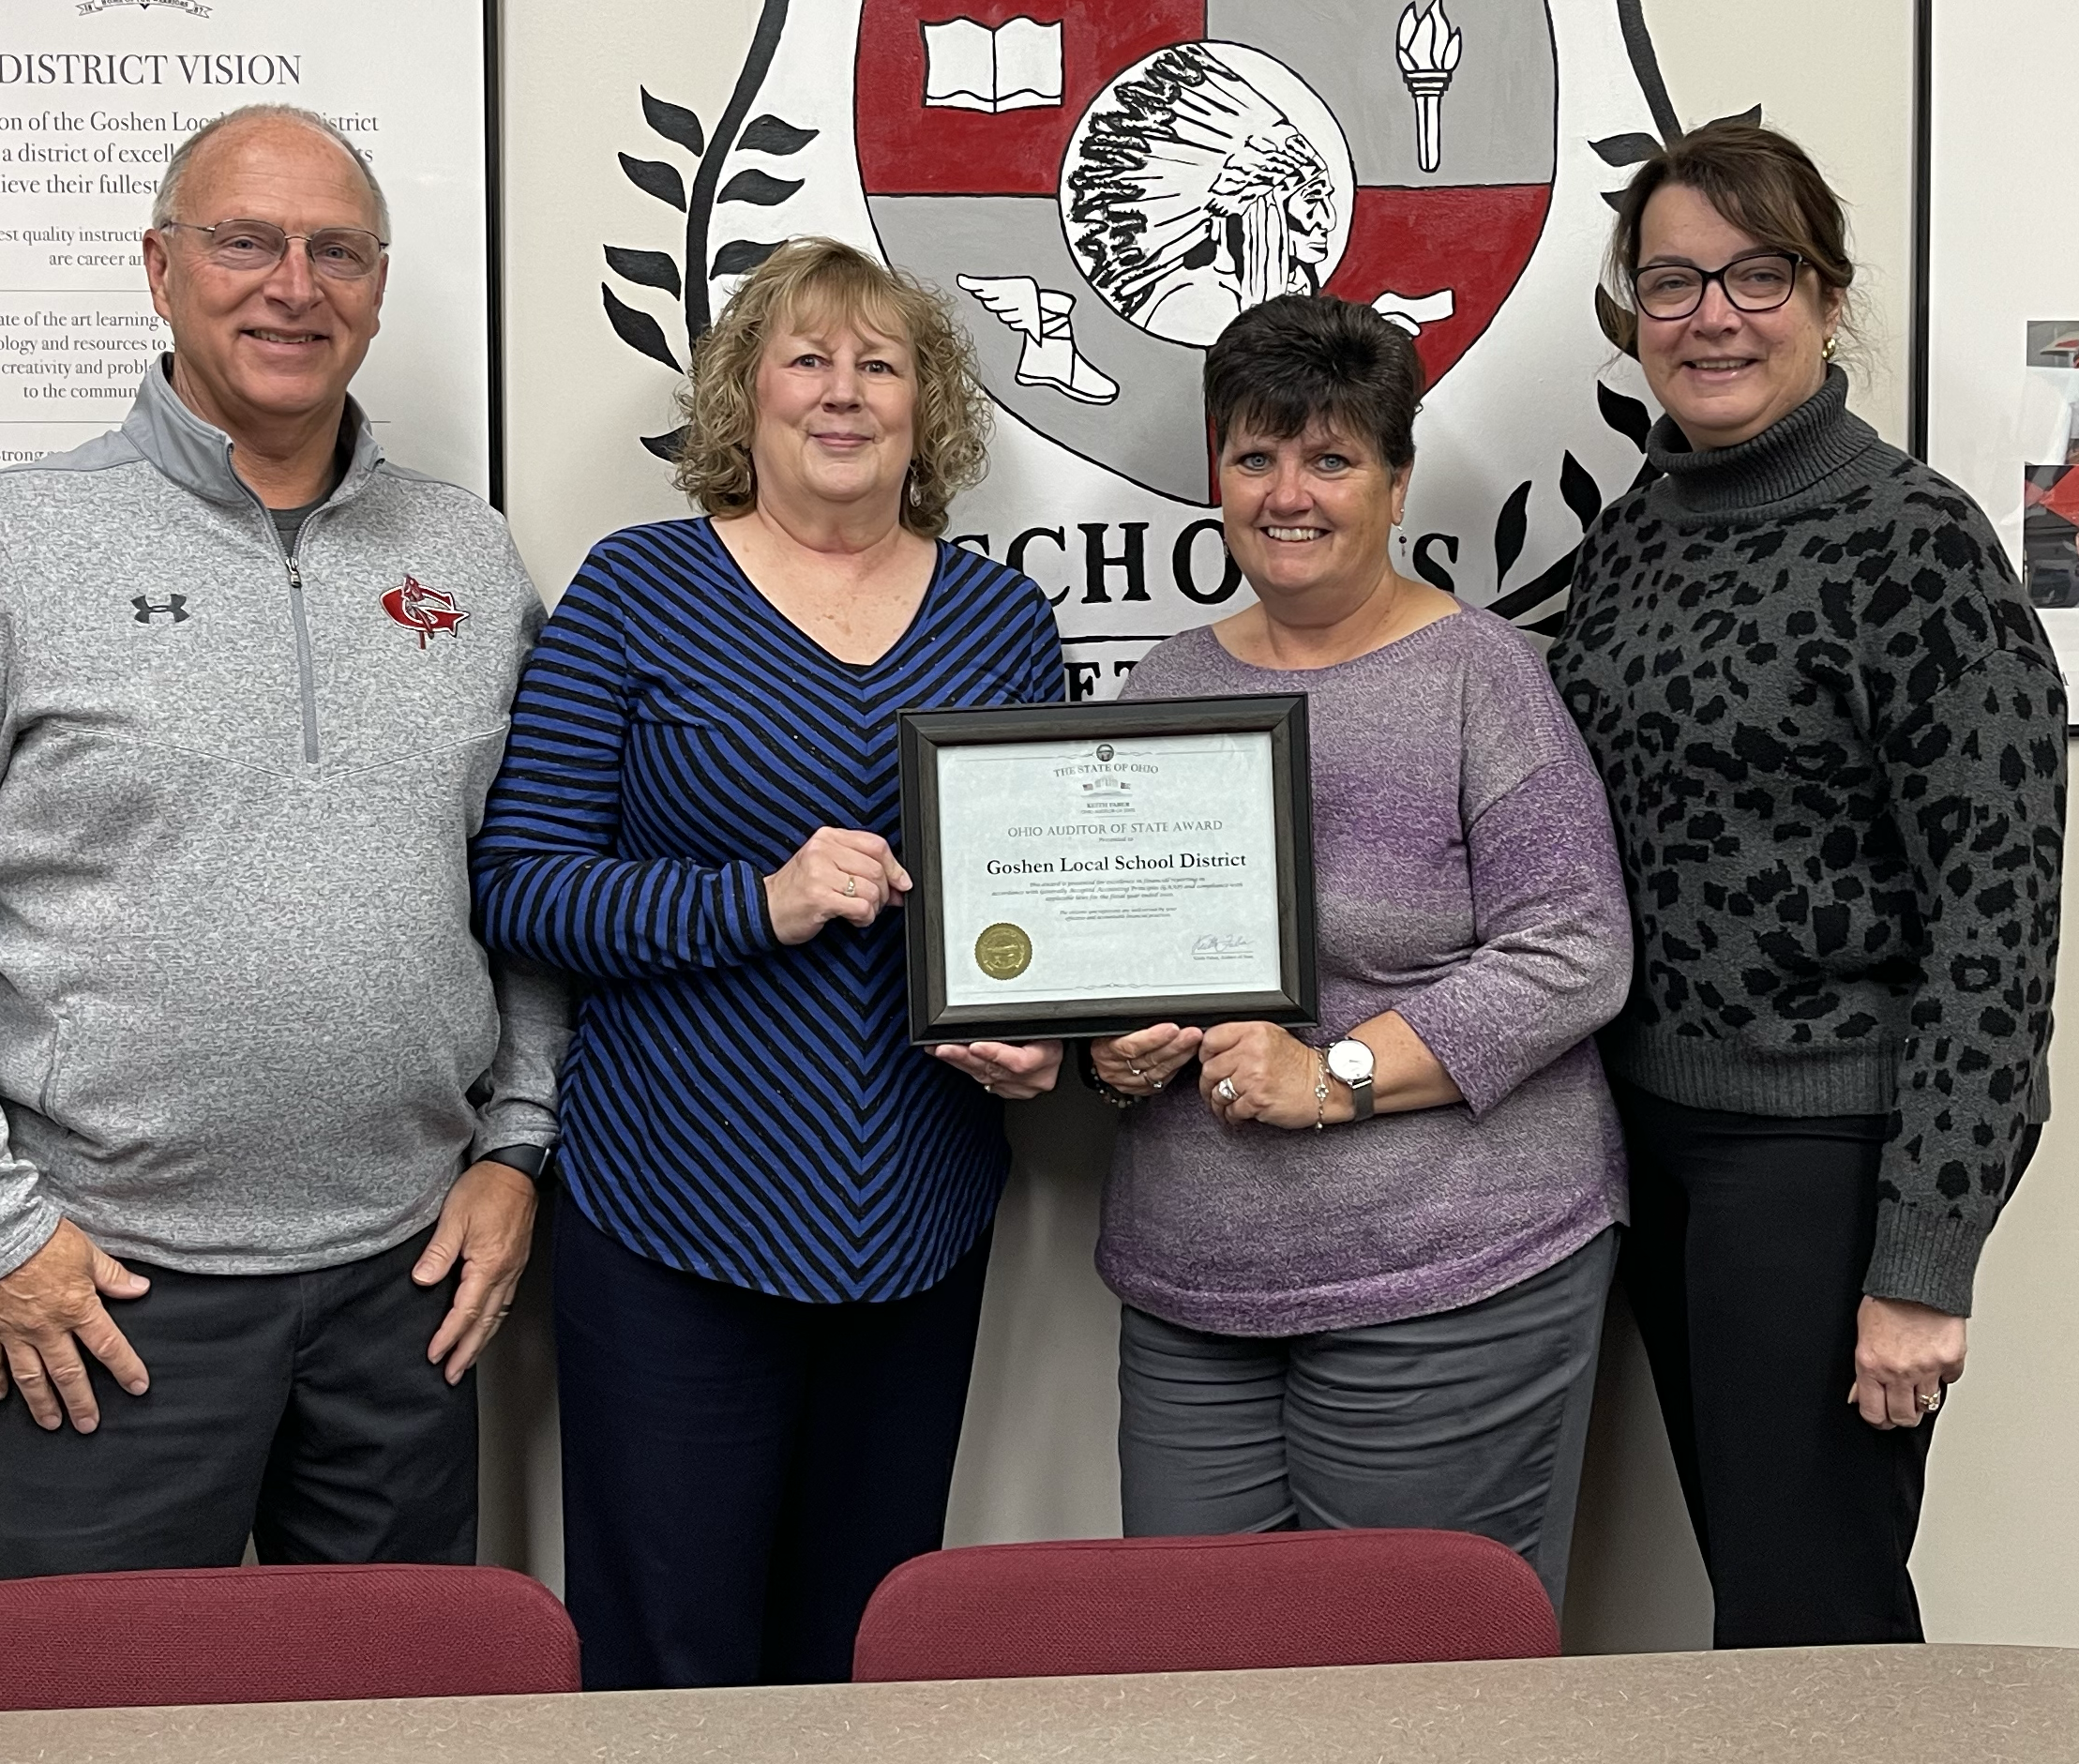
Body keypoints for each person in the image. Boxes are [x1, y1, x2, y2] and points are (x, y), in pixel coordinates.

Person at [0, 103, 569, 1582]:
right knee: (73, 1729)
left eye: (337, 250)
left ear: (376, 288)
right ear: (160, 270)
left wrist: (518, 1147)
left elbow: (527, 877)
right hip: (101, 1293)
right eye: (246, 242)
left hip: (402, 1282)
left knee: (393, 1723)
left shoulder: (466, 557)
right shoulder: (6, 543)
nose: (294, 284)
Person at [470, 238, 1065, 1689]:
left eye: (883, 364)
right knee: (673, 1648)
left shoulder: (1002, 621)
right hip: (675, 1209)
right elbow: (520, 889)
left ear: (931, 408)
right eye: (809, 359)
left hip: (916, 1220)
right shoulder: (636, 594)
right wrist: (760, 901)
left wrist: (1043, 1036)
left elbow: (1043, 903)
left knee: (863, 1651)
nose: (844, 393)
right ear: (746, 394)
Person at [1550, 122, 2066, 1647]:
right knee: (1762, 1596)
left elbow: (2000, 931)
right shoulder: (1635, 537)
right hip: (1650, 1144)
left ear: (1828, 297)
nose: (1712, 314)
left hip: (1825, 1155)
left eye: (1755, 275)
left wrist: (1922, 1262)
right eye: (1671, 282)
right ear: (1633, 315)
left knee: (1809, 1617)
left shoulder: (1919, 547)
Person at [1085, 294, 1633, 1611]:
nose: (1290, 495)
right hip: (1195, 1294)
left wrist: (1331, 1075)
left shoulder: (1479, 678)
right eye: (1257, 457)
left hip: (1452, 1279)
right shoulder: (1167, 687)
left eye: (1331, 460)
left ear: (1397, 481)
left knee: (1420, 1692)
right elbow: (1116, 939)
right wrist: (1107, 1048)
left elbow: (1575, 950)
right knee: (1192, 1680)